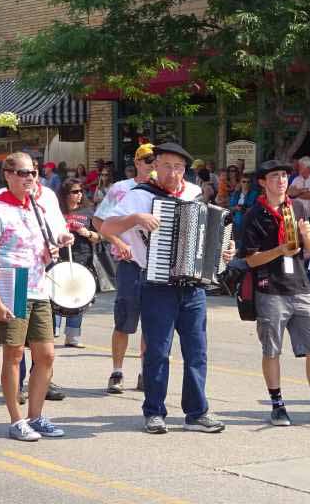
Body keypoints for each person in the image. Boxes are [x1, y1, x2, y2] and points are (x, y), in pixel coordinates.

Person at [101, 142, 231, 434]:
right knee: (158, 350)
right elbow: (106, 228)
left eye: (179, 167)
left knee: (197, 351)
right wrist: (135, 219)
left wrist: (222, 250)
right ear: (155, 166)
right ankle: (154, 411)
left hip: (193, 285)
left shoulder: (193, 193)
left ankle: (197, 413)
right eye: (168, 166)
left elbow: (206, 234)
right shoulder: (139, 196)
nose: (174, 173)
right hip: (156, 282)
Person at [239, 159, 310, 427]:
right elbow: (250, 260)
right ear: (263, 182)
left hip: (299, 287)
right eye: (275, 176)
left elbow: (309, 248)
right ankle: (277, 406)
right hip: (270, 290)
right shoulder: (255, 214)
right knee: (272, 350)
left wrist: (307, 234)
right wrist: (278, 251)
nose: (281, 181)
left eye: (285, 176)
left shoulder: (296, 207)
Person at [0, 152, 73, 442]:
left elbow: (42, 246)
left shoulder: (37, 206)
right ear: (7, 175)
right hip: (13, 282)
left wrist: (52, 250)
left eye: (32, 172)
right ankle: (16, 419)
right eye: (22, 173)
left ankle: (36, 415)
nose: (29, 178)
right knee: (14, 354)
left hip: (39, 285)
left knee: (46, 355)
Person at [92, 143, 155, 393]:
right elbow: (99, 220)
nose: (152, 165)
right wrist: (118, 241)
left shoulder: (163, 189)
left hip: (157, 265)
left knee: (153, 323)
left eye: (155, 160)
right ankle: (117, 371)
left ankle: (145, 372)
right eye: (148, 160)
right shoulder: (121, 189)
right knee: (125, 321)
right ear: (138, 163)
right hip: (130, 264)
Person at [56, 178, 101, 348]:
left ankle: (73, 335)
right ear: (66, 194)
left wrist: (86, 232)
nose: (79, 195)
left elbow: (99, 238)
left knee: (78, 297)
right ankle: (53, 329)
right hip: (60, 258)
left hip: (83, 259)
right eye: (75, 191)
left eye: (81, 191)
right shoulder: (57, 212)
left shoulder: (89, 212)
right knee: (56, 294)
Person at [230, 174, 258, 244]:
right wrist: (236, 208)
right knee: (236, 241)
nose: (246, 184)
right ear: (240, 183)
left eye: (248, 182)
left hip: (249, 222)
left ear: (251, 183)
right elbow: (230, 208)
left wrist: (249, 209)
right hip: (237, 221)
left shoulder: (255, 194)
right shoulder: (236, 194)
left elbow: (257, 207)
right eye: (244, 181)